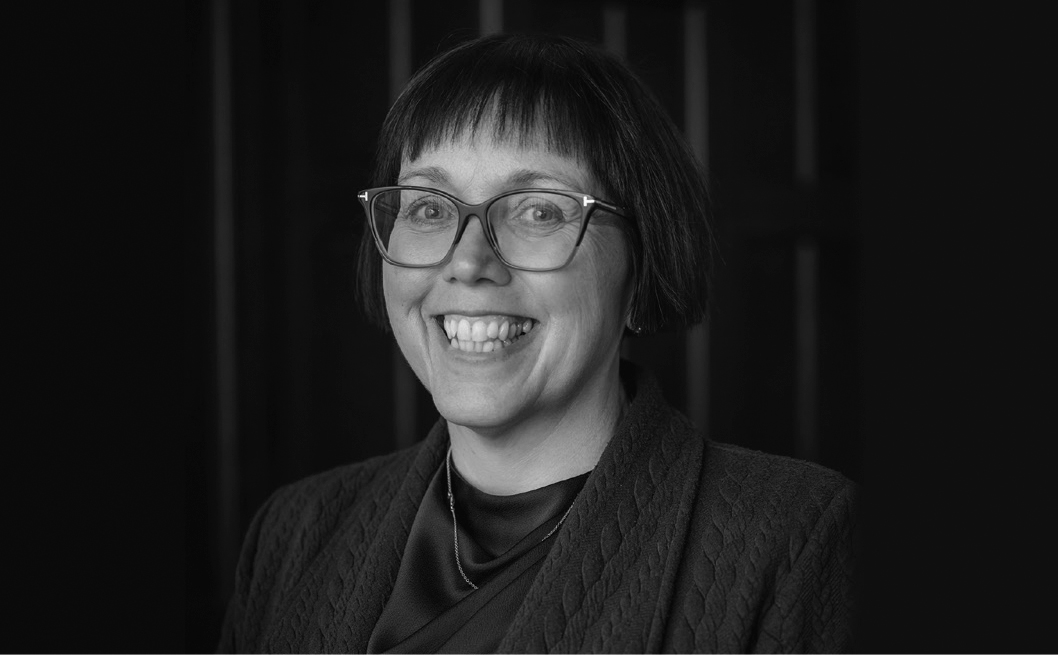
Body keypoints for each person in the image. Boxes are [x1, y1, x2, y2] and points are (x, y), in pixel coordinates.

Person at [217, 33, 856, 653]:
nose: (469, 262)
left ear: (640, 260)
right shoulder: (293, 534)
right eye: (429, 207)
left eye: (538, 211)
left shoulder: (797, 542)